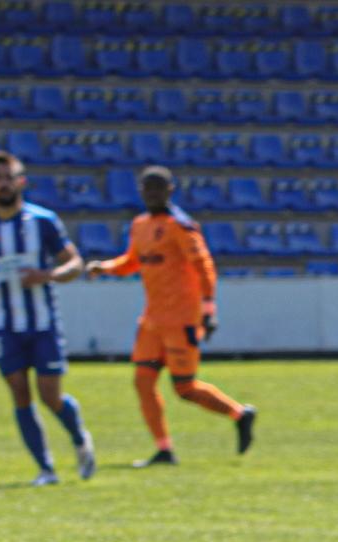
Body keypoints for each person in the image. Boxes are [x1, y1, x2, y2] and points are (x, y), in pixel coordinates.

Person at [83, 165, 255, 467]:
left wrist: (208, 309)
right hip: (152, 322)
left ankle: (239, 414)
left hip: (182, 321)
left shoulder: (180, 226)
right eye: (147, 189)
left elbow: (204, 266)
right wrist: (106, 267)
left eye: (157, 189)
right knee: (143, 381)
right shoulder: (139, 225)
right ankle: (164, 449)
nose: (151, 195)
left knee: (184, 388)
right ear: (140, 192)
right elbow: (133, 261)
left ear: (169, 191)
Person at [0, 151, 94, 485]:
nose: (3, 184)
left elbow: (75, 264)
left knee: (50, 395)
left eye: (9, 178)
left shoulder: (42, 221)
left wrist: (47, 275)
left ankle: (79, 438)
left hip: (42, 323)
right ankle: (46, 468)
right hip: (5, 324)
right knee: (20, 394)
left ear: (21, 182)